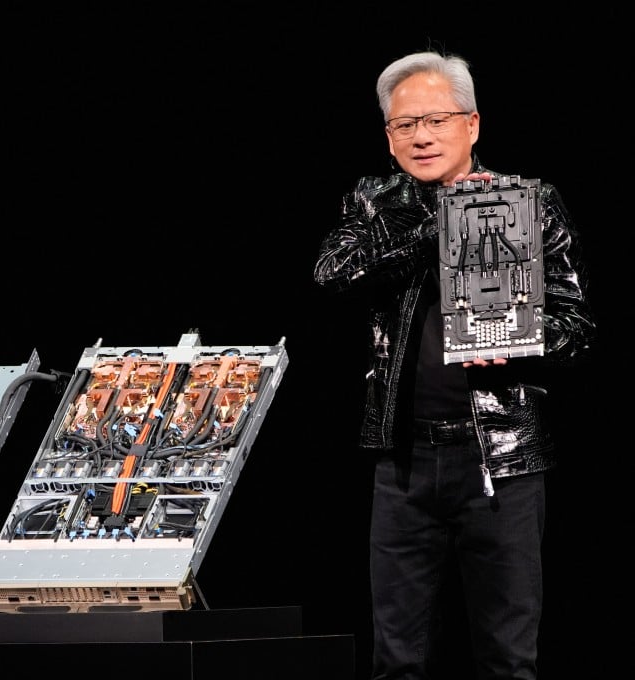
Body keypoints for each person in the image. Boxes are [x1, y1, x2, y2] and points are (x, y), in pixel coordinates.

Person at [313, 50, 596, 679]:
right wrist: (441, 224)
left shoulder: (529, 203)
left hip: (501, 458)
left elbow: (578, 327)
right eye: (405, 125)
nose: (422, 136)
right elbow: (333, 277)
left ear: (471, 125)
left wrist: (525, 341)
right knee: (397, 660)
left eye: (436, 120)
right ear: (388, 139)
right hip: (404, 464)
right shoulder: (372, 203)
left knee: (507, 658)